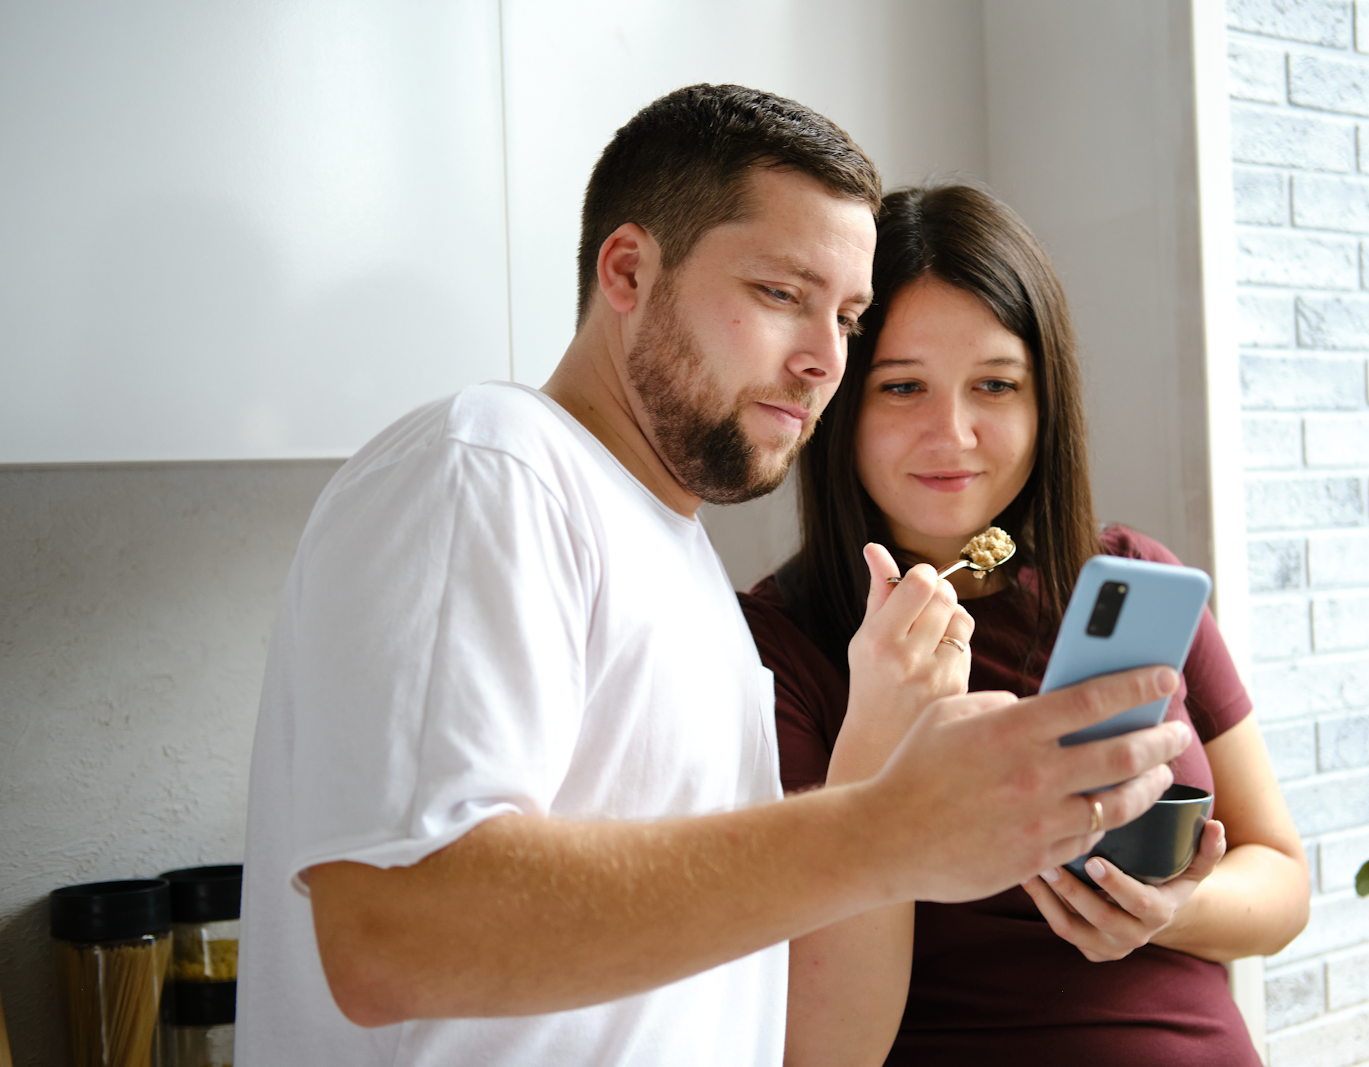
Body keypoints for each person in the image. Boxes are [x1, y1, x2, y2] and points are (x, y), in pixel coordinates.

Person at [236, 87, 1195, 1067]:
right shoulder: (490, 463)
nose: (826, 357)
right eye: (781, 294)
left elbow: (804, 1039)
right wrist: (886, 827)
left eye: (848, 317)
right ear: (627, 270)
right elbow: (397, 935)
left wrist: (878, 760)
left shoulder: (682, 562)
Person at [740, 182, 1312, 1066]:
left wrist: (1168, 909)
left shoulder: (1137, 580)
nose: (954, 433)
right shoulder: (775, 647)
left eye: (996, 385)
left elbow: (1281, 878)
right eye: (902, 387)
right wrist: (881, 734)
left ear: (1046, 402)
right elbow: (828, 1048)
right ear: (842, 400)